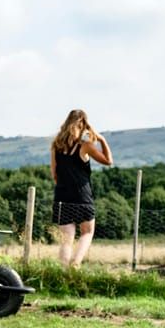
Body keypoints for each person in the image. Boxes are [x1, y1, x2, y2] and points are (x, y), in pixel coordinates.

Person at [50, 108, 113, 269]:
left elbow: (54, 174)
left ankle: (63, 271)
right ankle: (75, 265)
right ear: (84, 124)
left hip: (62, 196)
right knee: (87, 232)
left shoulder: (56, 145)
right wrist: (102, 140)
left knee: (67, 238)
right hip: (82, 197)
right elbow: (108, 161)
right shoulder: (85, 146)